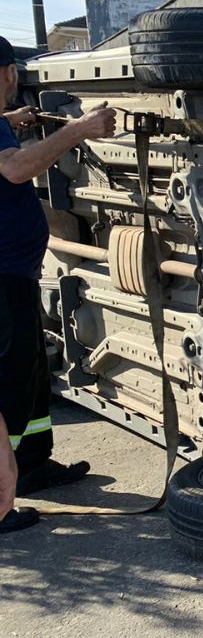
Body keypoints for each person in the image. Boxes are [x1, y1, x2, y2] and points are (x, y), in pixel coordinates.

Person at [0, 35, 116, 533]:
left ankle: (32, 464)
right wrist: (80, 129)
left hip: (16, 273)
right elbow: (17, 167)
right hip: (3, 277)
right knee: (11, 384)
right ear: (5, 72)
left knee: (31, 377)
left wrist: (9, 124)